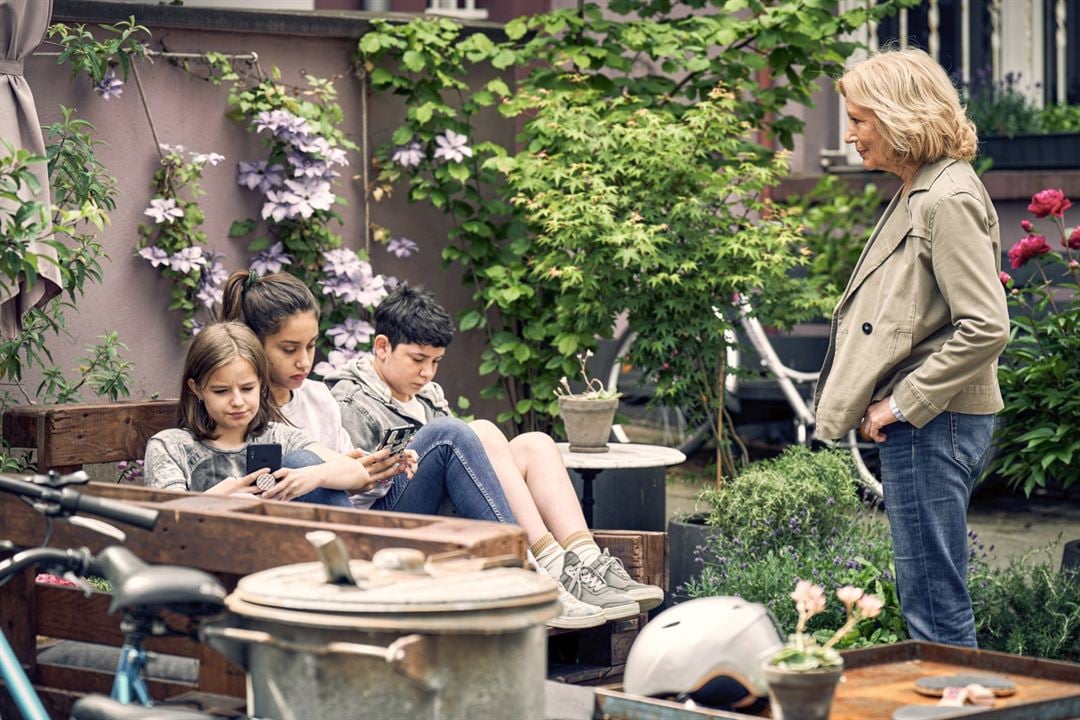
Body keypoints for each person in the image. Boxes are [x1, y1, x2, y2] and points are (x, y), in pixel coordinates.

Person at [218, 270, 608, 629]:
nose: (305, 360)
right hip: (320, 551)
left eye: (312, 345)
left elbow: (351, 483)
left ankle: (534, 575)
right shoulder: (240, 410)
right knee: (306, 458)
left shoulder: (318, 397)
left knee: (450, 433)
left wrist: (377, 467)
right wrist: (324, 471)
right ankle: (533, 577)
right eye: (289, 349)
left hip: (366, 524)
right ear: (253, 344)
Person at [814, 48, 1010, 647]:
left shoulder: (944, 198)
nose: (849, 135)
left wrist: (901, 405)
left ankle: (959, 708)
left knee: (932, 602)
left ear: (901, 116)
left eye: (859, 119)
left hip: (933, 423)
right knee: (926, 591)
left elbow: (986, 325)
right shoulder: (923, 187)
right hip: (932, 423)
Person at [328, 284, 665, 616]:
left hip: (444, 512)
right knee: (468, 431)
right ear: (383, 347)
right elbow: (350, 501)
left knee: (535, 445)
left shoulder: (428, 394)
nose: (427, 372)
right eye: (418, 360)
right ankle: (542, 569)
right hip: (389, 528)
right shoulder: (351, 401)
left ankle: (585, 563)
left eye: (436, 361)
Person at [144, 322, 368, 507]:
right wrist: (219, 496)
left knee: (303, 461)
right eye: (221, 391)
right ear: (196, 388)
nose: (237, 402)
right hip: (205, 553)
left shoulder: (278, 436)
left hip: (277, 548)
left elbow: (358, 473)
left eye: (247, 388)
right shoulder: (171, 446)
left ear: (261, 384)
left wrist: (312, 476)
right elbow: (166, 520)